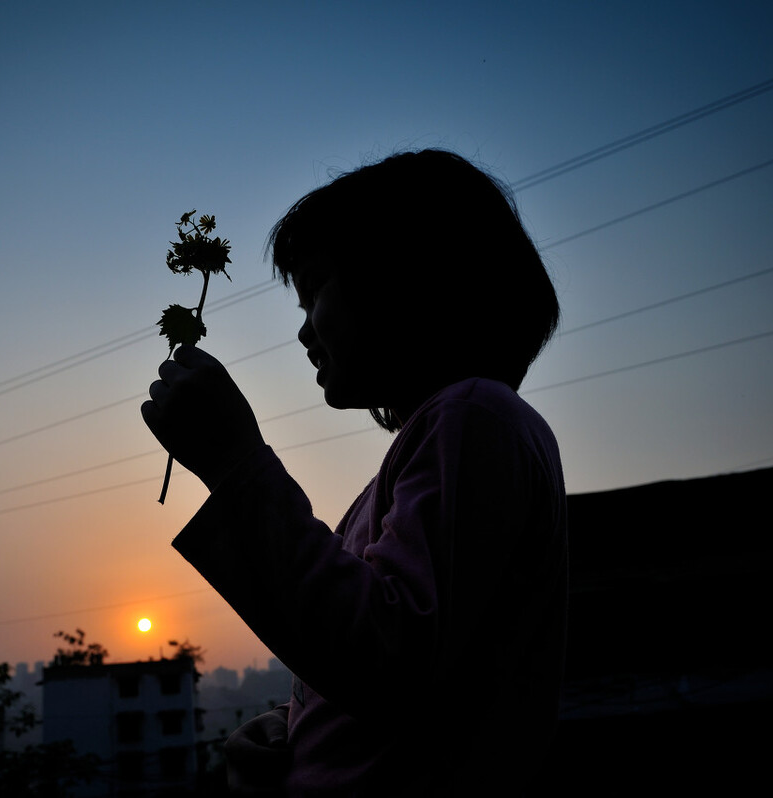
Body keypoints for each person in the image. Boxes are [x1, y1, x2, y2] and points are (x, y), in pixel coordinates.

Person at [142, 149, 567, 796]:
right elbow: (406, 670)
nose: (305, 332)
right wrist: (294, 728)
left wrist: (235, 464)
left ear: (403, 278)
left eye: (314, 290)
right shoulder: (446, 437)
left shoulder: (475, 418)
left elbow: (393, 661)